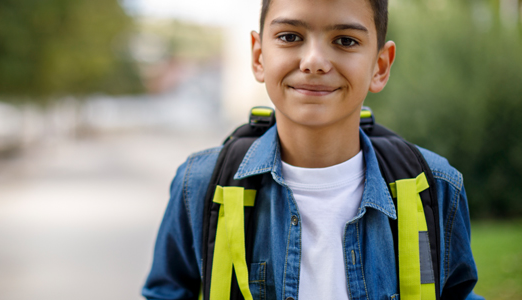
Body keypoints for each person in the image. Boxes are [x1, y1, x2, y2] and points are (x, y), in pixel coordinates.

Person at [142, 0, 483, 299]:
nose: (314, 61)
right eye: (290, 37)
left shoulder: (435, 186)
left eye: (345, 40)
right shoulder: (200, 183)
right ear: (259, 56)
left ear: (380, 66)